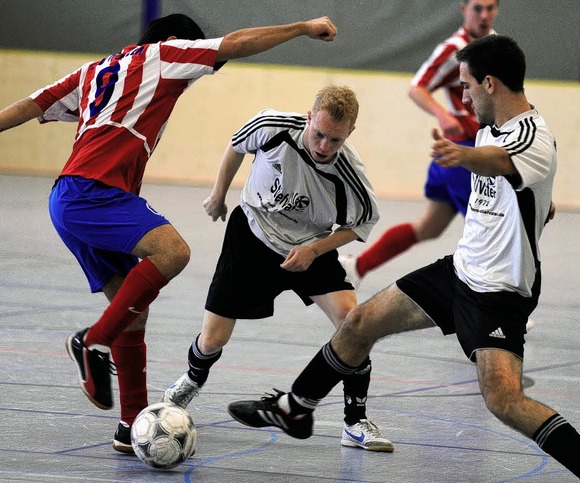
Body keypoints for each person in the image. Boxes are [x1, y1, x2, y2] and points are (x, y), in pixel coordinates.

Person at [226, 35, 580, 482]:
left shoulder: (530, 136)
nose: (464, 95)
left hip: (498, 292)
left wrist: (464, 156)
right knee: (358, 323)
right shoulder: (490, 126)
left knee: (504, 401)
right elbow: (518, 185)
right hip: (458, 272)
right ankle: (295, 409)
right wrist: (535, 203)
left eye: (467, 86)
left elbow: (500, 161)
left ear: (490, 84)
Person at [0, 13, 338, 454]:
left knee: (132, 312)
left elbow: (30, 105)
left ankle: (129, 426)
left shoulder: (94, 71)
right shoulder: (163, 54)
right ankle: (92, 342)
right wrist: (302, 28)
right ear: (177, 41)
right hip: (95, 192)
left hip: (67, 199)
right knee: (173, 252)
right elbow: (234, 43)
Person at [162, 85, 394, 452]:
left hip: (309, 249)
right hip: (250, 239)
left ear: (350, 133)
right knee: (213, 339)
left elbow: (360, 226)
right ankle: (192, 379)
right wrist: (219, 194)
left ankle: (355, 422)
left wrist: (314, 250)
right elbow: (236, 146)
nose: (323, 147)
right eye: (318, 134)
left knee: (356, 326)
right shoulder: (272, 127)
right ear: (308, 117)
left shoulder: (351, 176)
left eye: (335, 140)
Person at [339, 0, 499, 288]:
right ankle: (496, 304)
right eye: (478, 8)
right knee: (490, 228)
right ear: (464, 10)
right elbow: (417, 87)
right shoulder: (455, 49)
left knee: (429, 227)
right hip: (461, 154)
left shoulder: (497, 47)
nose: (484, 15)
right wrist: (444, 115)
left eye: (490, 8)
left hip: (468, 152)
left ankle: (357, 266)